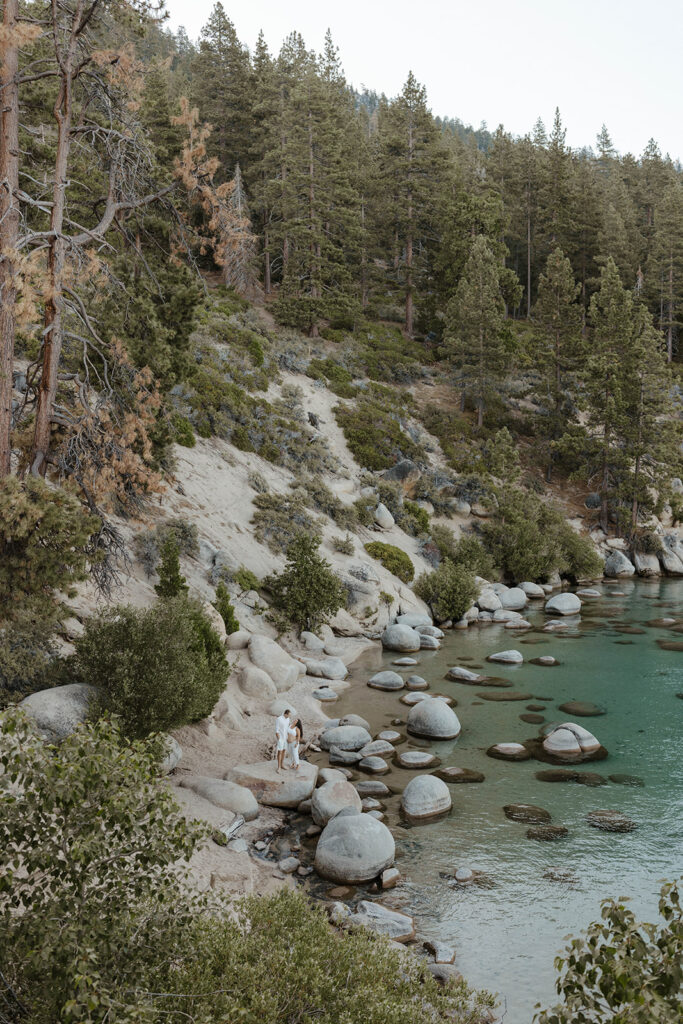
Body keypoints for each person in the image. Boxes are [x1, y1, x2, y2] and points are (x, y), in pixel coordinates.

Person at [274, 709, 290, 773]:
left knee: (284, 751)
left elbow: (287, 728)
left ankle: (282, 764)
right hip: (280, 738)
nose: (289, 716)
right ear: (285, 714)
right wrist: (279, 738)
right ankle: (279, 767)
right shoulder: (279, 719)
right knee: (279, 752)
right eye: (288, 715)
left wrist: (288, 737)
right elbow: (277, 730)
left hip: (285, 738)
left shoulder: (288, 719)